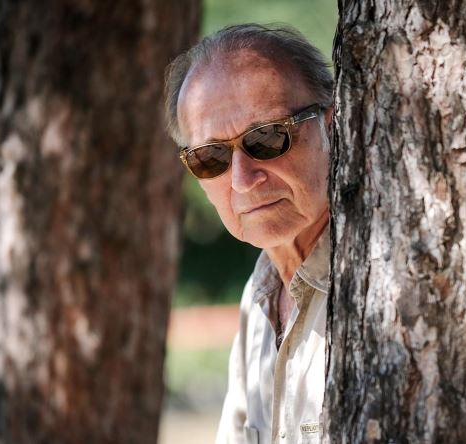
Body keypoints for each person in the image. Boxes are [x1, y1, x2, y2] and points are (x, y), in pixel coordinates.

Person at [164, 24, 333, 444]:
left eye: (268, 137)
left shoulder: (381, 287)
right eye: (210, 157)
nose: (242, 180)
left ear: (332, 124)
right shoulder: (258, 296)